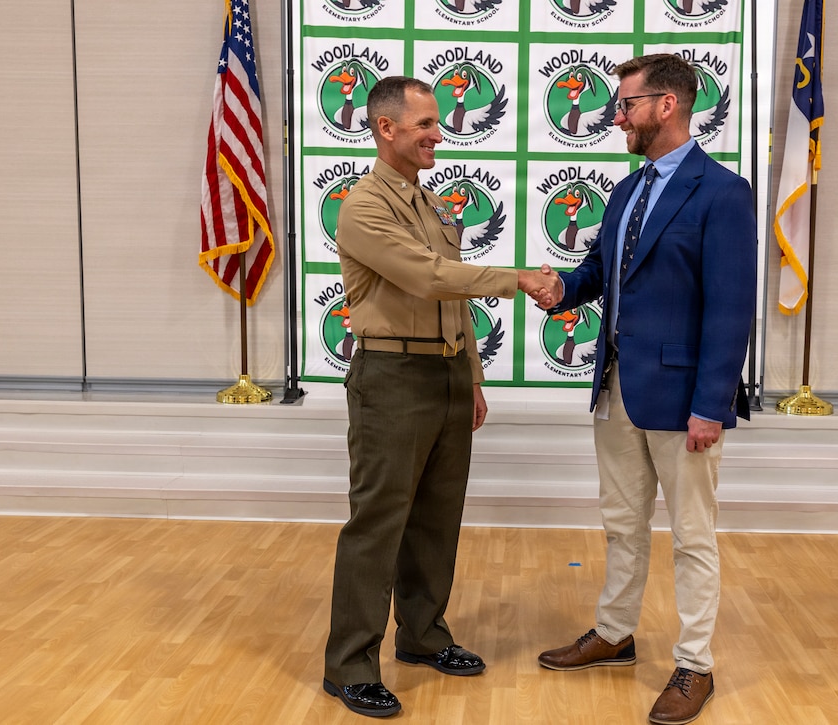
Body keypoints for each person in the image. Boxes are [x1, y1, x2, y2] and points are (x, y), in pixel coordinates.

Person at [322, 75, 557, 718]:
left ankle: (423, 638)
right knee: (378, 522)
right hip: (392, 378)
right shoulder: (362, 206)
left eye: (436, 122)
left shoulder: (429, 206)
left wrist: (473, 379)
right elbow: (428, 279)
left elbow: (453, 305)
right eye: (424, 124)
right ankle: (348, 666)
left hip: (447, 375)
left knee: (436, 516)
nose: (438, 133)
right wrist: (517, 278)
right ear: (385, 129)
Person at [535, 54, 757, 725]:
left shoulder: (722, 193)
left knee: (692, 537)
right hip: (618, 391)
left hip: (683, 398)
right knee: (621, 524)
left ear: (667, 106)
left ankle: (695, 663)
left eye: (626, 104)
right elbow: (600, 270)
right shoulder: (628, 191)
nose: (615, 116)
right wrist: (560, 289)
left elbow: (729, 307)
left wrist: (710, 404)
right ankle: (614, 631)